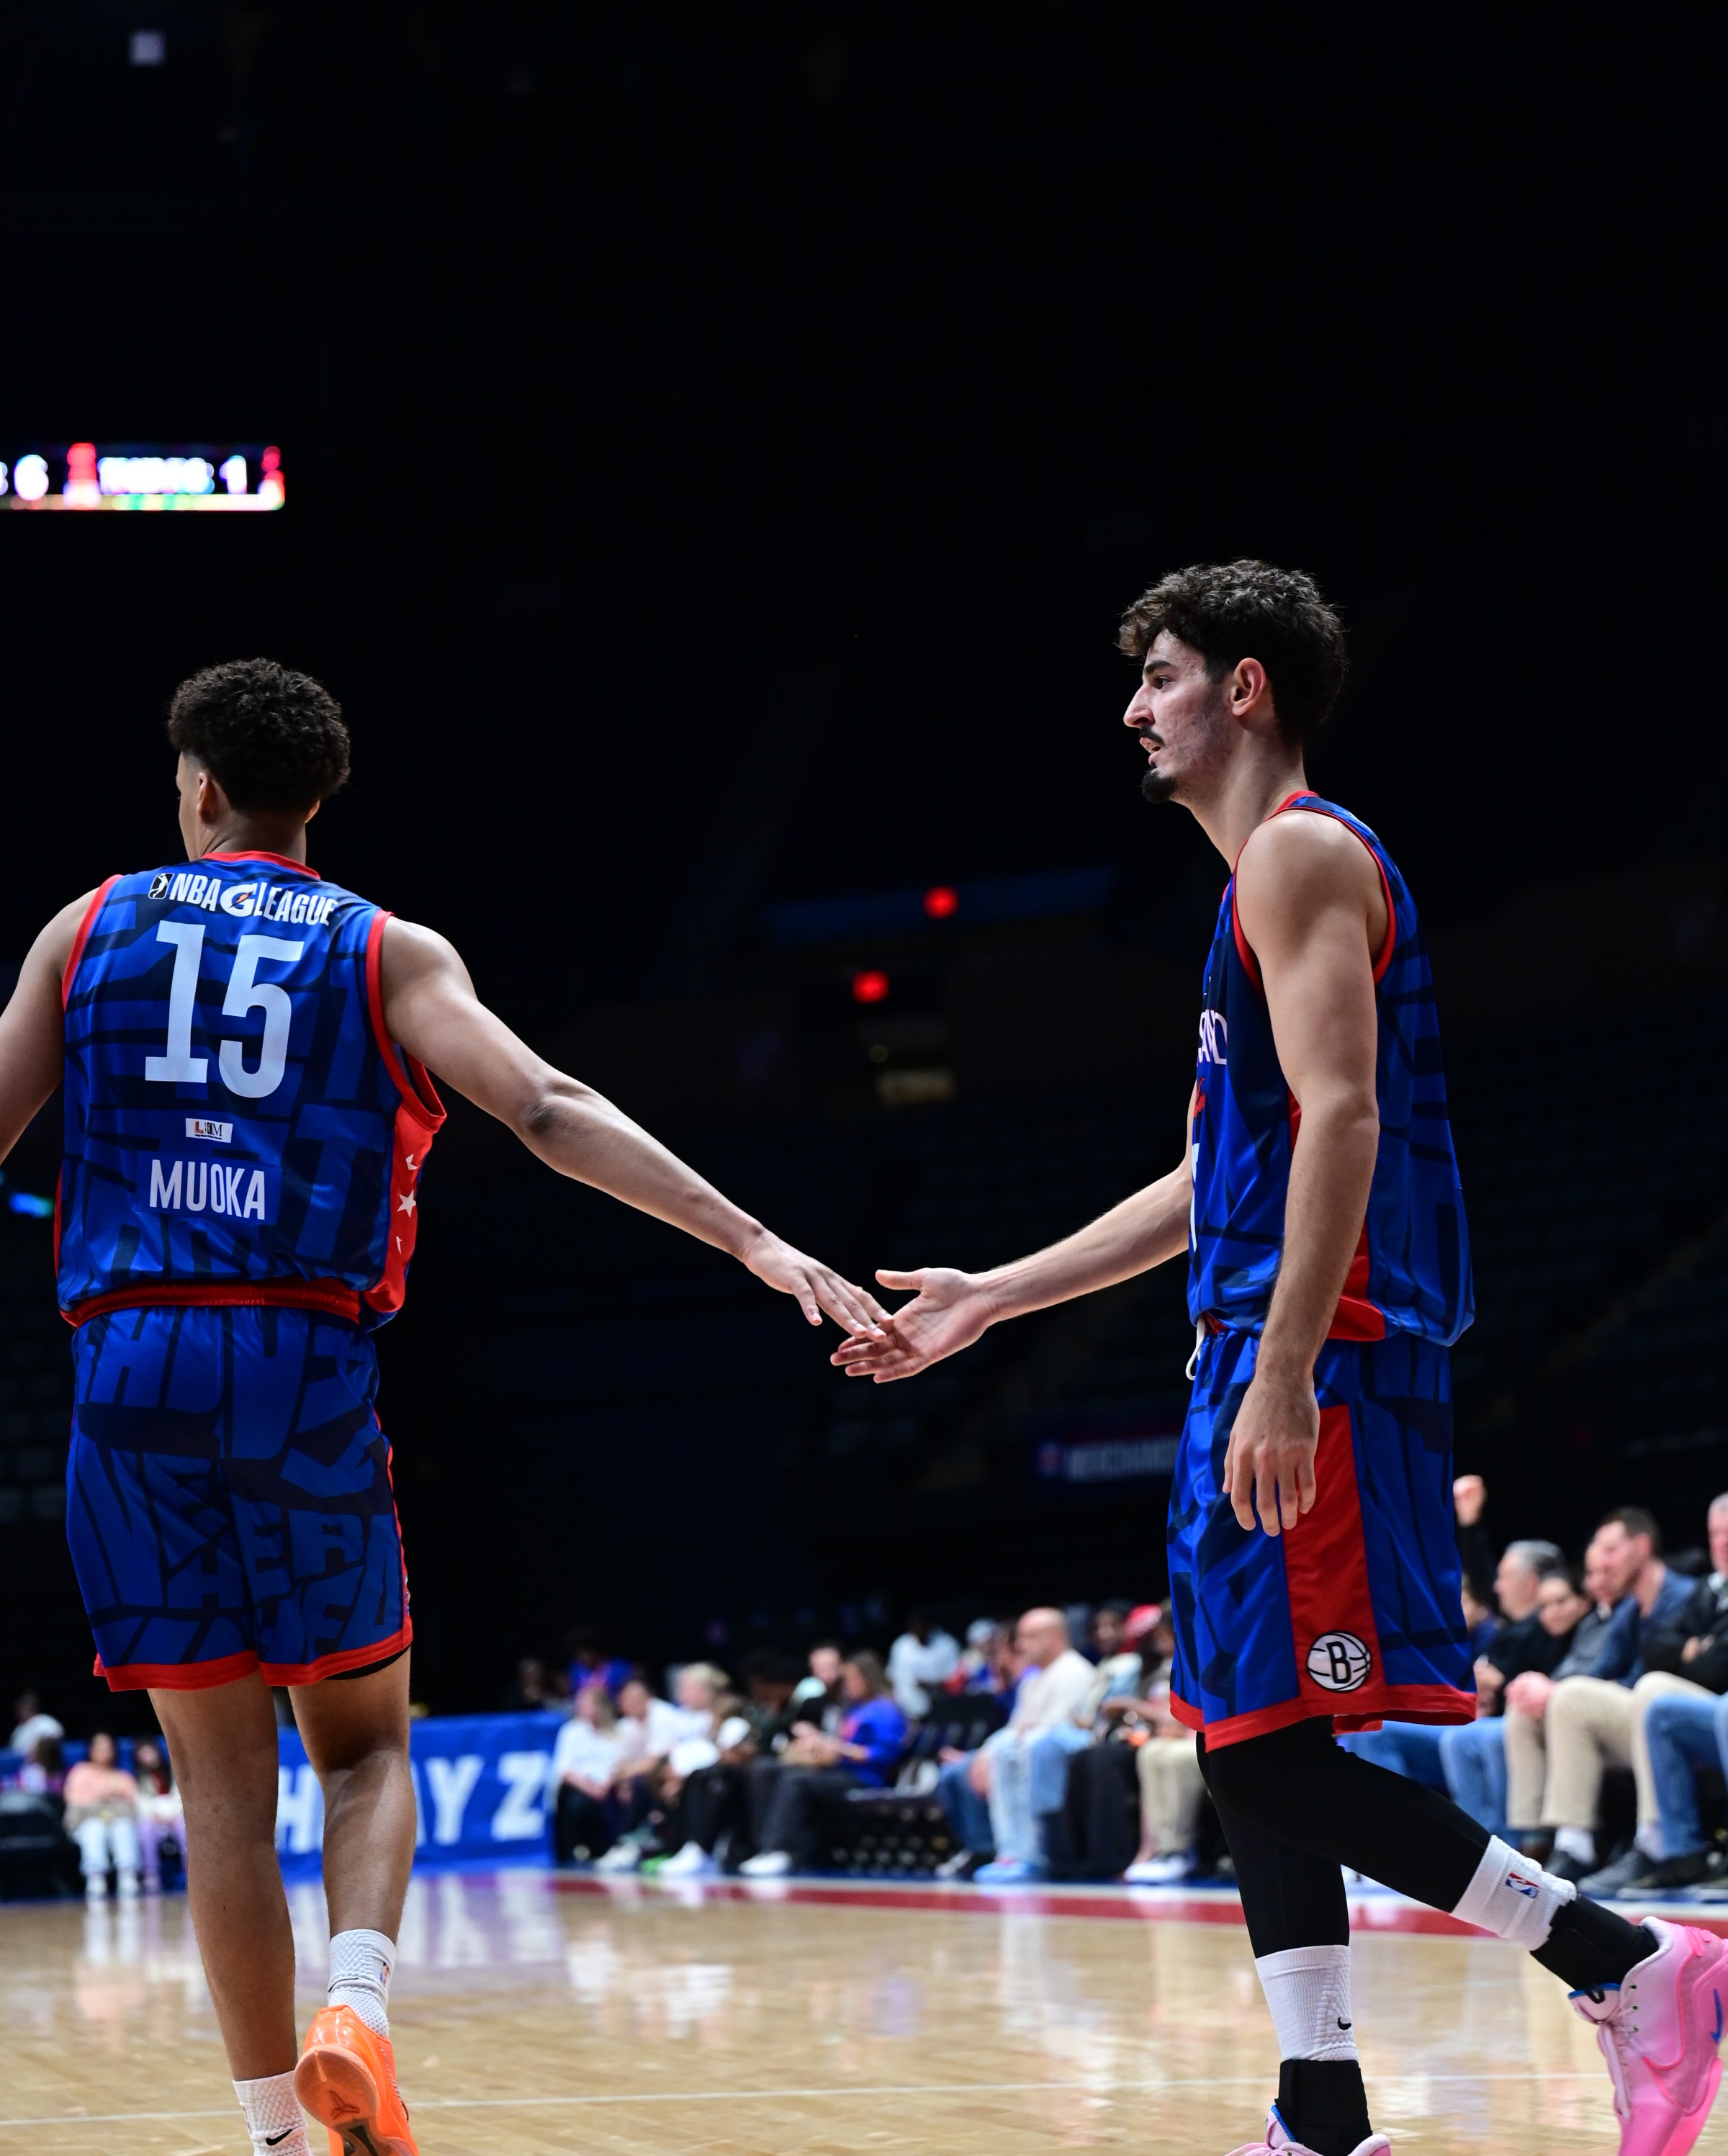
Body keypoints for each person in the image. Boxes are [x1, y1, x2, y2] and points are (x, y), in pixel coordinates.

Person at [831, 560, 1727, 2156]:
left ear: (1246, 688)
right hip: (1269, 1335)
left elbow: (1344, 1118)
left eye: (1163, 674)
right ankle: (1321, 2113)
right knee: (1249, 1734)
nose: (1135, 707)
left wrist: (1286, 1370)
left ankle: (1634, 1961)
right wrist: (994, 1295)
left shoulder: (1302, 854)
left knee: (1271, 1746)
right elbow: (1213, 1182)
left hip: (1327, 1345)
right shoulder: (1262, 883)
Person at [0, 658, 886, 2156]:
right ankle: (358, 2002)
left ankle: (279, 2134)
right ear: (316, 798)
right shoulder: (386, 949)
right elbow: (546, 1110)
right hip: (299, 1361)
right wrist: (755, 1239)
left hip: (126, 1366)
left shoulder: (84, 927)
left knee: (218, 1782)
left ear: (200, 787)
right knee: (362, 1748)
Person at [1510, 1507, 1696, 1882]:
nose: (1602, 1565)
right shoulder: (1629, 1610)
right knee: (1531, 1708)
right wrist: (1549, 1689)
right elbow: (1599, 1673)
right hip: (1635, 1721)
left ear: (1642, 1547)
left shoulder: (1684, 1595)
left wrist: (1568, 1690)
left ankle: (1640, 1842)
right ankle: (1543, 1842)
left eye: (1611, 1551)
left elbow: (1668, 1676)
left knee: (1586, 1695)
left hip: (1678, 1722)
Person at [1580, 1495, 1728, 1896]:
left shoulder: (1682, 1591)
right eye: (1715, 1533)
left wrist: (1697, 1653)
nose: (1722, 1542)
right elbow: (1656, 1651)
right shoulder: (1708, 1592)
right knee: (1657, 1704)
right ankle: (1677, 1852)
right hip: (1703, 1707)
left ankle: (1654, 1838)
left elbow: (1715, 1667)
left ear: (1642, 1546)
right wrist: (1695, 1650)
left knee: (1655, 1690)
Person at [935, 1606, 1095, 1883]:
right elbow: (1015, 1728)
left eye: (1030, 1637)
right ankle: (1006, 1852)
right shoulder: (1032, 1679)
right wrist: (984, 1753)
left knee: (1020, 1748)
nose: (1021, 1645)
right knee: (992, 1754)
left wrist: (997, 1749)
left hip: (1056, 1757)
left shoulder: (1075, 1671)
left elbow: (1056, 1728)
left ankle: (1034, 1854)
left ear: (1055, 1637)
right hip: (1023, 1750)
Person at [737, 1650, 908, 1875]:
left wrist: (836, 1747)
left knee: (795, 1781)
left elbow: (885, 1755)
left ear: (867, 1678)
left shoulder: (885, 1709)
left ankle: (778, 1849)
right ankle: (763, 1847)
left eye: (851, 1679)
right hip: (838, 1771)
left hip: (866, 1778)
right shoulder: (854, 1709)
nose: (847, 1685)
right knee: (768, 1769)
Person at [547, 1683, 623, 1866]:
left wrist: (606, 1784)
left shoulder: (616, 1731)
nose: (584, 1708)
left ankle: (613, 1846)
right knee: (577, 1802)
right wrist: (590, 1787)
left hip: (608, 1785)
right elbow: (564, 1769)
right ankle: (577, 1848)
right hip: (580, 1786)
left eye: (589, 1704)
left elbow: (621, 1762)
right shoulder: (571, 1732)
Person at [63, 1731, 143, 1900]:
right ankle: (95, 1877)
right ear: (90, 1749)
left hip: (116, 1822)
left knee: (123, 1827)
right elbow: (75, 1801)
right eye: (98, 1746)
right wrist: (103, 1797)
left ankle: (127, 1875)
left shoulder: (122, 1776)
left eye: (107, 1747)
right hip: (86, 1822)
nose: (103, 1750)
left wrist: (112, 1802)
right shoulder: (80, 1772)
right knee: (95, 1828)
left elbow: (133, 1805)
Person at [131, 1735, 186, 1892]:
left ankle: (190, 1870)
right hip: (154, 1818)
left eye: (150, 1752)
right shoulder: (139, 1778)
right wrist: (155, 1815)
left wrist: (173, 1813)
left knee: (184, 1828)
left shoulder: (173, 1771)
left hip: (175, 1814)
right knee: (145, 1829)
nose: (148, 1756)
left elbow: (179, 1795)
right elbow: (140, 1801)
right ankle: (151, 1874)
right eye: (143, 1754)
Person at [886, 1611, 960, 1717]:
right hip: (906, 1710)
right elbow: (891, 1677)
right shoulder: (901, 1645)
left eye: (923, 1626)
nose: (919, 1630)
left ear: (930, 1626)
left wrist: (930, 1684)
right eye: (915, 1627)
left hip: (941, 1708)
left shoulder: (946, 1644)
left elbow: (956, 1679)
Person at [9, 1688, 63, 1758]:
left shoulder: (45, 1721)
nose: (20, 1712)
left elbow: (57, 1737)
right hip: (27, 1766)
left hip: (47, 1763)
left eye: (24, 1708)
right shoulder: (18, 1730)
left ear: (32, 1708)